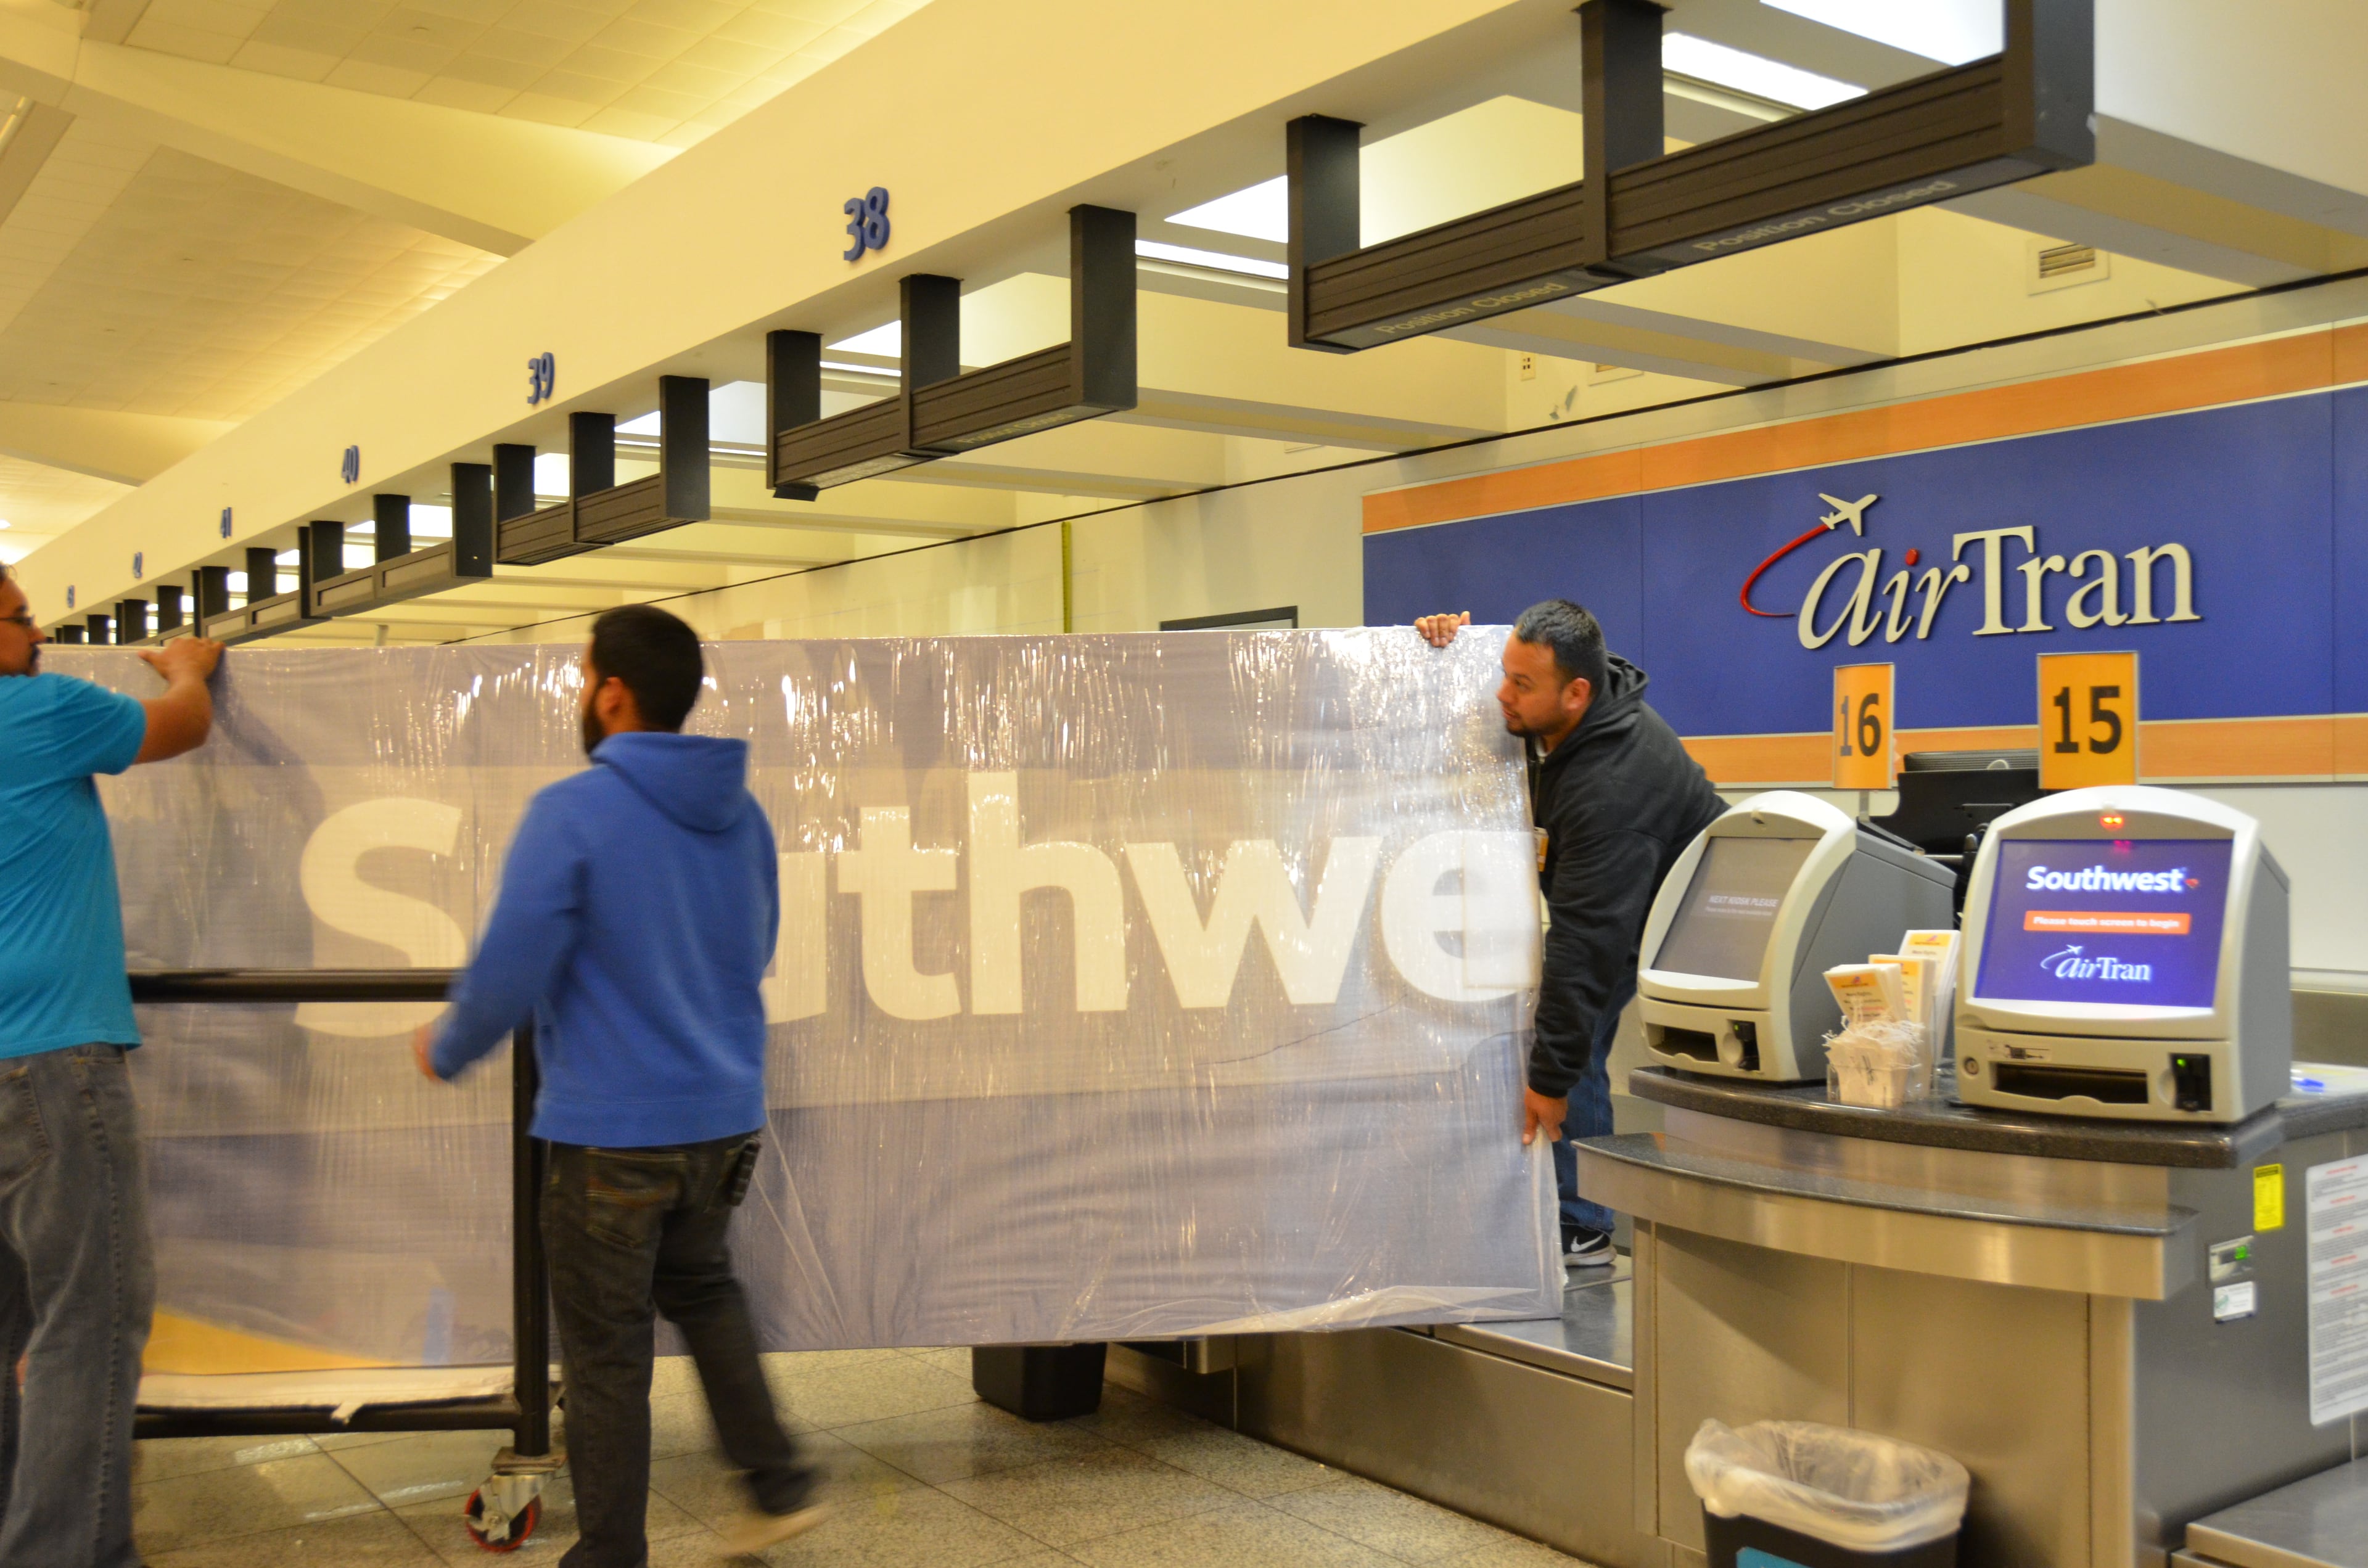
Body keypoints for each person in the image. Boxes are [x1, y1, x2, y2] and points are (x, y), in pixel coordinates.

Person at [412, 604, 818, 1565]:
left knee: (603, 1357)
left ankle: (610, 1553)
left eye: (580, 673)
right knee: (705, 1288)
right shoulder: (743, 810)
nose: (575, 692)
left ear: (613, 691)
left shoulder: (574, 810)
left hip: (610, 1137)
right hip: (721, 1119)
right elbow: (753, 947)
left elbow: (512, 964)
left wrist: (452, 1040)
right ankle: (778, 1479)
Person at [0, 563, 223, 1567]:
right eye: (19, 615)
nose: (38, 629)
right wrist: (189, 665)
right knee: (86, 1323)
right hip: (51, 1062)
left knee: (15, 1319)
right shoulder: (37, 709)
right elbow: (180, 726)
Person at [1418, 601, 1724, 1269]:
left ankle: (1582, 1224)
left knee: (1571, 1044)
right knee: (1553, 1027)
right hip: (1617, 903)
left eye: (1521, 685)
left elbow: (1587, 950)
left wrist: (1548, 1081)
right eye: (1504, 674)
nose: (1503, 693)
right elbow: (1499, 685)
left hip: (1677, 922)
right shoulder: (1557, 704)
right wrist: (1444, 645)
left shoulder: (1613, 784)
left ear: (1577, 691)